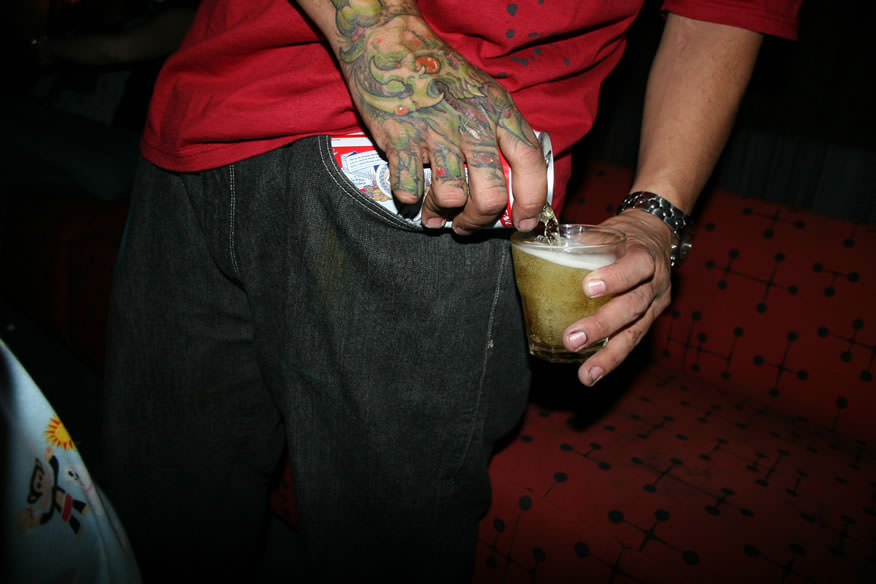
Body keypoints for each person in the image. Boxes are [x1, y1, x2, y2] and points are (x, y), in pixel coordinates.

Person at [100, 0, 800, 581]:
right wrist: (380, 29)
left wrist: (659, 212)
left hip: (443, 166)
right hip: (197, 119)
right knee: (157, 518)